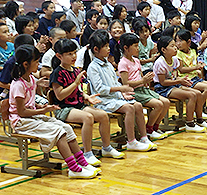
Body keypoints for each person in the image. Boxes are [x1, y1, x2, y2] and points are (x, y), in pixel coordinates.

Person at [8, 44, 98, 179]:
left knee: (66, 128)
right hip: (20, 122)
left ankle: (82, 162)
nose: (38, 65)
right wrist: (43, 110)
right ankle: (74, 168)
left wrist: (40, 107)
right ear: (26, 64)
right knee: (59, 132)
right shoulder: (18, 84)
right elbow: (21, 112)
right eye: (36, 62)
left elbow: (29, 105)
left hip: (31, 117)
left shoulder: (32, 79)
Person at [50, 38, 124, 166]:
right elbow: (60, 96)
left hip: (78, 105)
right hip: (63, 109)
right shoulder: (57, 73)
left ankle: (106, 148)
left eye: (74, 52)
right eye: (69, 54)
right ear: (59, 56)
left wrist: (86, 96)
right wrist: (75, 83)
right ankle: (88, 153)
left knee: (102, 115)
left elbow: (78, 90)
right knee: (88, 118)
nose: (74, 56)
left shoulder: (75, 70)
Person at [86, 30, 156, 151]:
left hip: (114, 97)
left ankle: (144, 137)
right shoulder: (93, 67)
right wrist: (121, 88)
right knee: (129, 108)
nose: (109, 49)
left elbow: (113, 83)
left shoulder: (108, 64)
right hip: (103, 100)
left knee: (138, 105)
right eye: (105, 47)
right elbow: (100, 89)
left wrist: (122, 93)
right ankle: (131, 141)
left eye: (109, 46)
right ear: (96, 49)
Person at [118, 33, 170, 140]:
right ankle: (149, 128)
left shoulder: (136, 60)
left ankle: (155, 127)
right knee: (158, 105)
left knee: (166, 102)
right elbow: (125, 83)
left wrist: (146, 80)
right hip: (133, 92)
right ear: (126, 48)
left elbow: (140, 74)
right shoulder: (123, 63)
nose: (138, 48)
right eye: (135, 46)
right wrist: (142, 80)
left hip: (143, 89)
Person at [153, 35, 207, 132]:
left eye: (174, 45)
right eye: (172, 46)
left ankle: (199, 119)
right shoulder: (160, 63)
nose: (175, 48)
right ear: (163, 50)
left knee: (197, 93)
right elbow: (163, 82)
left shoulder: (174, 59)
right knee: (191, 95)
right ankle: (189, 123)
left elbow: (174, 76)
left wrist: (183, 80)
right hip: (163, 88)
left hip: (174, 84)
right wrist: (179, 81)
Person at [175, 29, 207, 118]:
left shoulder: (193, 51)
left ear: (188, 41)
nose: (178, 44)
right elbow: (181, 69)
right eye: (176, 41)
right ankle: (198, 110)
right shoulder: (178, 54)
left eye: (180, 40)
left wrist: (200, 66)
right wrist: (195, 68)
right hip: (186, 79)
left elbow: (195, 64)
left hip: (195, 77)